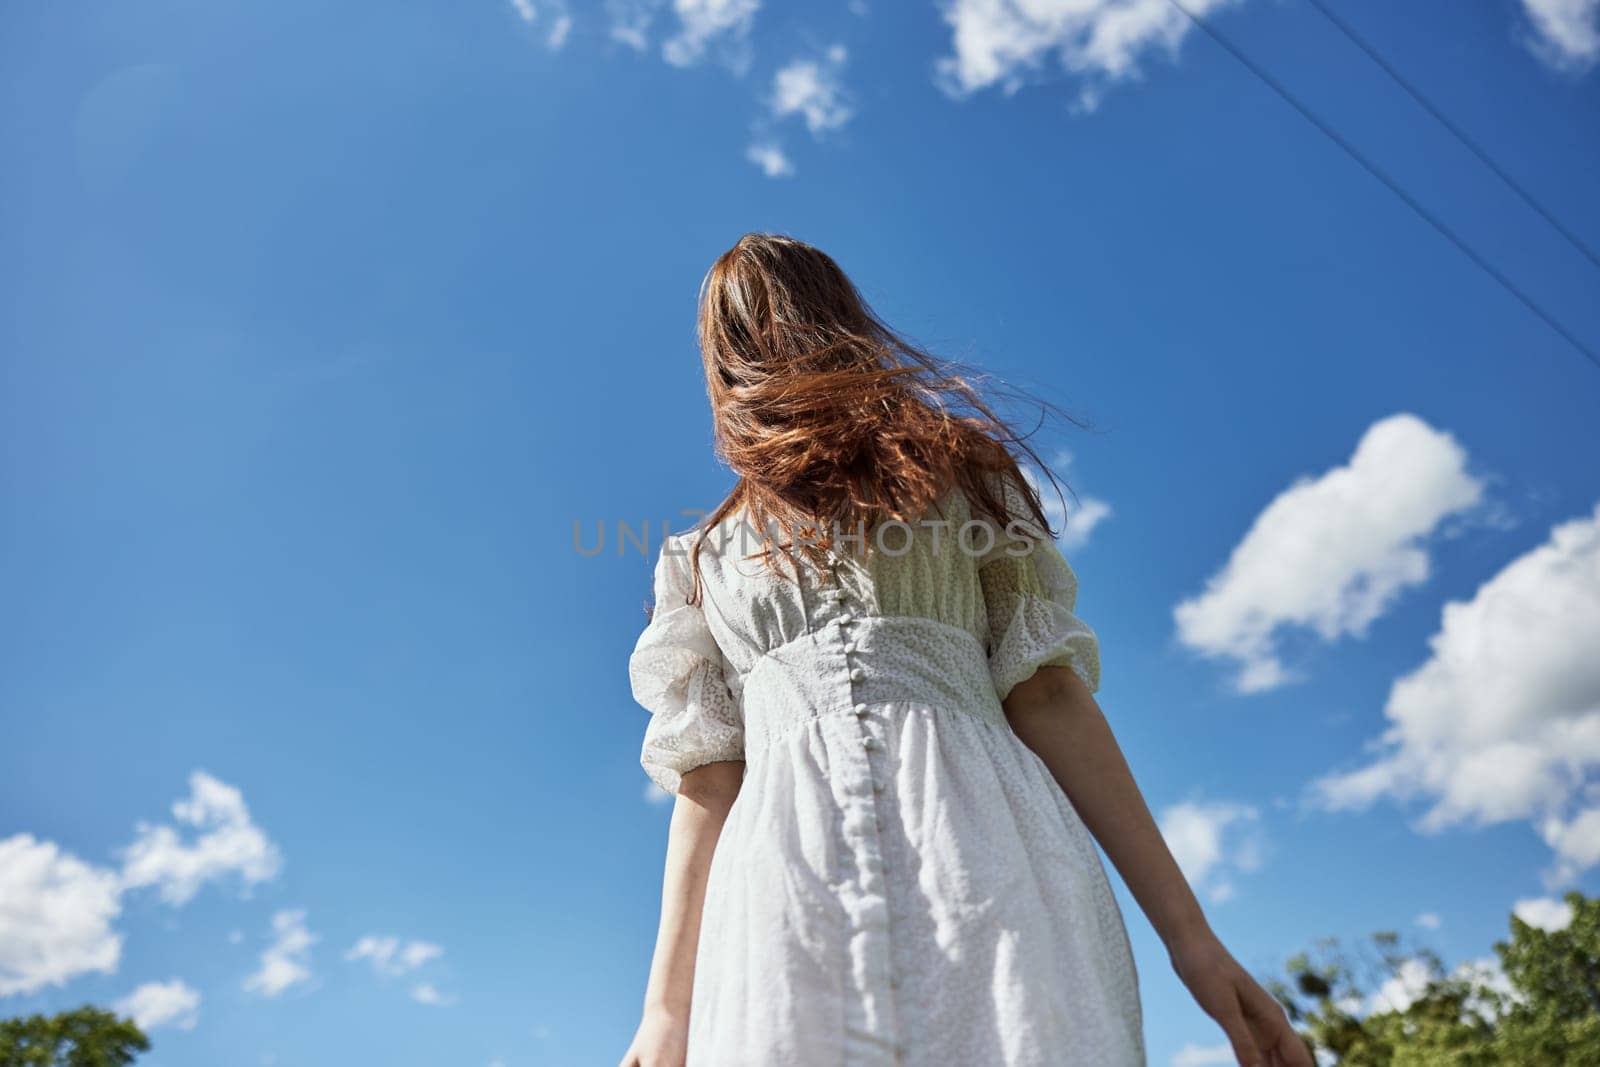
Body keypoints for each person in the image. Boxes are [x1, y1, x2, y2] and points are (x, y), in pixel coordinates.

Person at [619, 233, 1310, 1067]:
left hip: (988, 851)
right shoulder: (701, 560)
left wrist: (1192, 939)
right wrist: (665, 1014)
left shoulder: (960, 480)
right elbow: (710, 772)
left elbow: (1045, 692)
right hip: (783, 896)